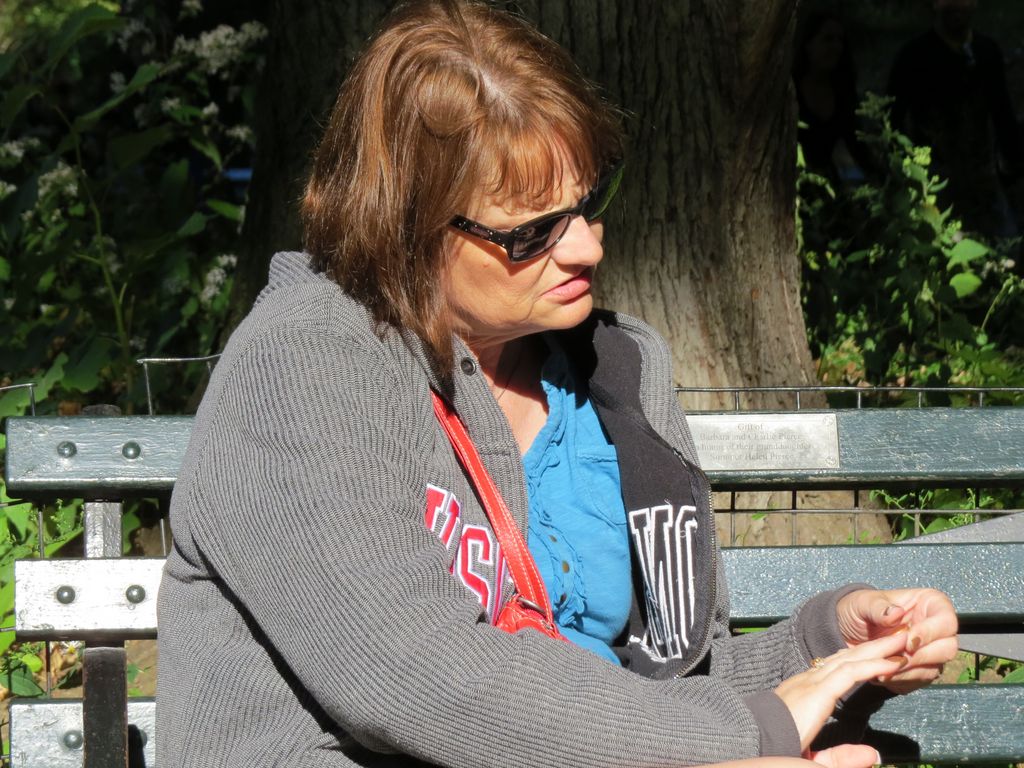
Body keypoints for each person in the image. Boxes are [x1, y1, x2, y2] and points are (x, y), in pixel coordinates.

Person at [157, 2, 959, 766]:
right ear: (403, 226)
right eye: (531, 231)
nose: (583, 248)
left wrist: (831, 647)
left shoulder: (615, 371)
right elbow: (419, 681)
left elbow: (654, 688)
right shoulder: (307, 365)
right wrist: (750, 734)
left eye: (586, 204)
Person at [888, 0, 1024, 239]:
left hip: (985, 182)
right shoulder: (914, 56)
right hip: (935, 183)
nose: (957, 5)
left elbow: (1003, 116)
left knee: (1004, 249)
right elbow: (892, 121)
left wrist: (1012, 167)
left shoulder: (986, 51)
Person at [794, 12, 872, 186]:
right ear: (808, 44)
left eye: (840, 40)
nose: (836, 46)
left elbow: (856, 145)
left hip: (829, 187)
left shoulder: (843, 92)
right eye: (828, 39)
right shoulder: (790, 91)